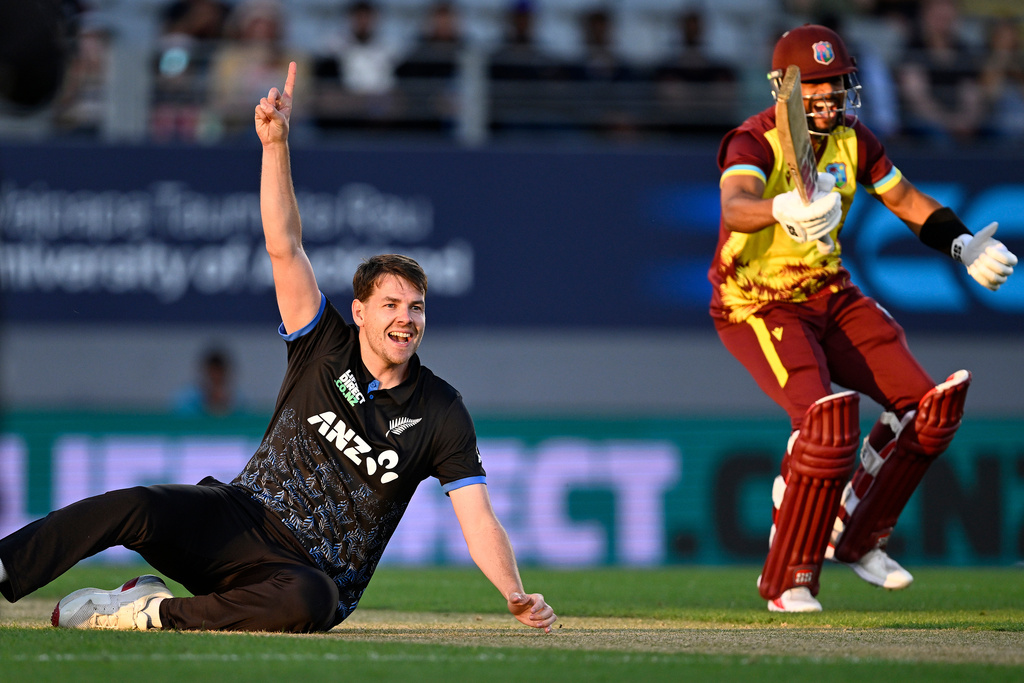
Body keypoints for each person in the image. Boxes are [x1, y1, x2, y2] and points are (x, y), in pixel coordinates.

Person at [0, 62, 557, 635]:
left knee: (311, 604)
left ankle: (148, 613)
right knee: (136, 506)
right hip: (235, 519)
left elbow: (478, 517)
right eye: (390, 305)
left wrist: (513, 591)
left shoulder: (440, 410)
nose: (405, 319)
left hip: (302, 576)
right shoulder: (323, 344)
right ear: (360, 311)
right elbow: (284, 246)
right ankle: (4, 564)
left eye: (416, 307)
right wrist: (275, 145)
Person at [710, 24, 1017, 613]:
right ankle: (787, 578)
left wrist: (962, 245)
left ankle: (855, 532)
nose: (828, 101)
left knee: (930, 411)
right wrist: (780, 208)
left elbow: (905, 201)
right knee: (823, 426)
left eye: (835, 87)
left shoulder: (854, 139)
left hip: (830, 293)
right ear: (786, 91)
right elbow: (735, 206)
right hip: (757, 301)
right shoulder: (753, 140)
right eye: (816, 89)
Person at [173, 347, 237, 416]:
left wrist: (223, 406)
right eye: (212, 376)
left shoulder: (236, 400)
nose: (215, 378)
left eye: (219, 376)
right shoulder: (185, 399)